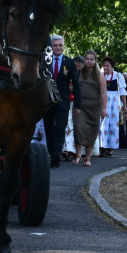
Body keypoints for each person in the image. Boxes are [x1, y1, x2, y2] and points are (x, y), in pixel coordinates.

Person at [43, 34, 80, 167]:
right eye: (55, 45)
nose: (58, 48)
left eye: (60, 45)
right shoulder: (44, 60)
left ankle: (56, 156)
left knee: (60, 128)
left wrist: (77, 106)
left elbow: (76, 85)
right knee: (48, 128)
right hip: (46, 101)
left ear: (63, 46)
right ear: (51, 47)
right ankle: (51, 152)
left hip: (63, 101)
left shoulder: (70, 62)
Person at [73, 50, 106, 166]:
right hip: (80, 107)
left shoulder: (99, 75)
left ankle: (87, 158)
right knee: (78, 129)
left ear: (95, 61)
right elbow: (73, 87)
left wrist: (104, 108)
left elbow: (103, 92)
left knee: (92, 131)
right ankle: (77, 155)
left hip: (94, 108)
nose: (89, 61)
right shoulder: (78, 72)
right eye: (87, 59)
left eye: (91, 59)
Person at [99, 57, 127, 156]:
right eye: (104, 66)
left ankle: (111, 147)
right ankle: (102, 146)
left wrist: (124, 106)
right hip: (103, 101)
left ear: (112, 67)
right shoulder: (100, 75)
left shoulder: (118, 76)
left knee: (114, 124)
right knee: (103, 124)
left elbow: (122, 92)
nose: (106, 68)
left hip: (115, 103)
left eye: (108, 66)